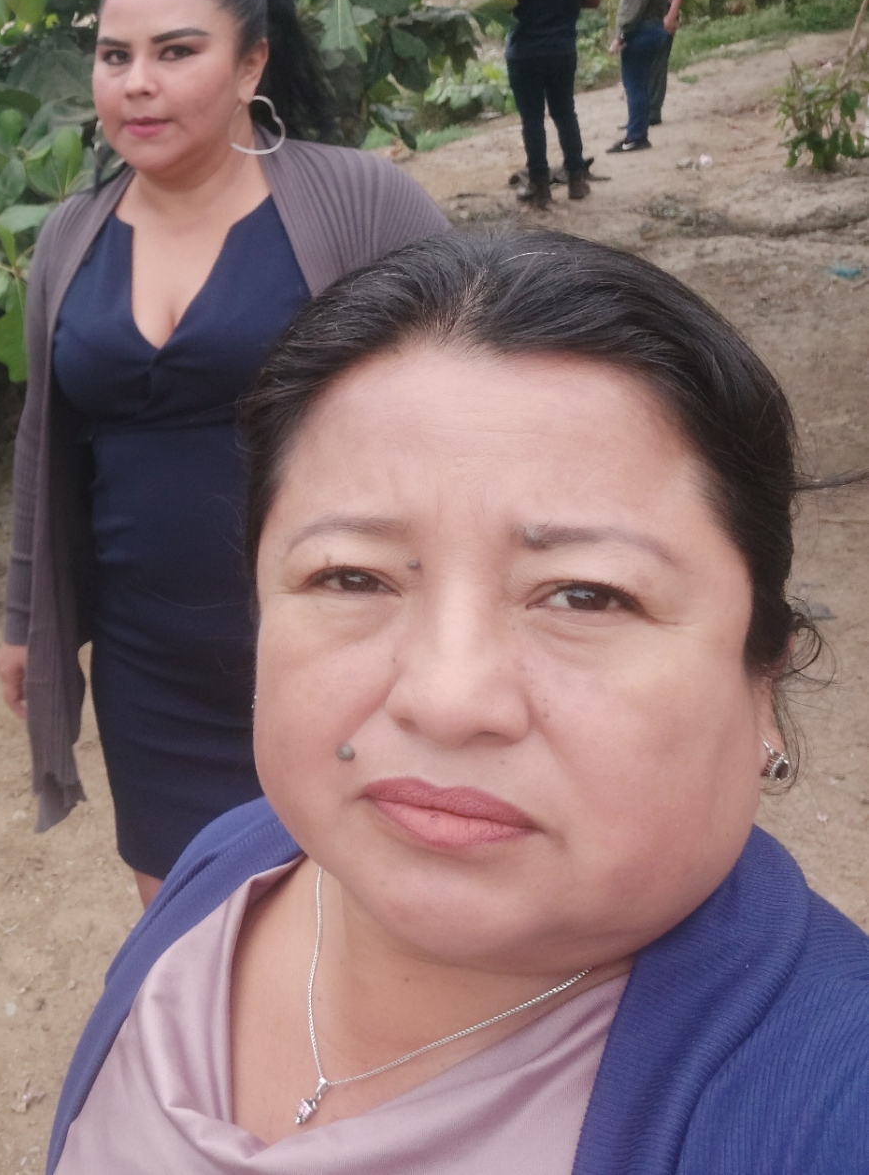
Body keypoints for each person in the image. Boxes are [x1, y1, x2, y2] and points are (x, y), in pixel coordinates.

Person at [48, 230, 869, 1173]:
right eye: (351, 577)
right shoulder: (227, 870)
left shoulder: (829, 1110)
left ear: (764, 676)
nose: (445, 699)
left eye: (585, 595)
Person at [0, 0, 449, 908]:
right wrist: (29, 615)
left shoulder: (358, 203)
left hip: (342, 642)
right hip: (149, 659)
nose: (137, 82)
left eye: (175, 52)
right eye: (115, 55)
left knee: (360, 904)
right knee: (190, 918)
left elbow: (476, 379)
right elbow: (44, 439)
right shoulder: (70, 238)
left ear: (251, 64)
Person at [499, 0, 600, 209]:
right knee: (565, 112)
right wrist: (564, 3)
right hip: (563, 48)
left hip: (526, 52)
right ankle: (577, 179)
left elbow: (503, 8)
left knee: (532, 119)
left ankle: (540, 186)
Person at [610, 0, 676, 153]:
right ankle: (636, 131)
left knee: (635, 85)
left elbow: (637, 4)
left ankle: (636, 135)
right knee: (640, 83)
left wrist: (621, 34)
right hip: (653, 28)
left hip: (642, 30)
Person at [642, 0, 689, 127]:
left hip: (664, 10)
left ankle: (653, 109)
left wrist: (672, 14)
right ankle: (641, 110)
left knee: (658, 61)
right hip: (645, 11)